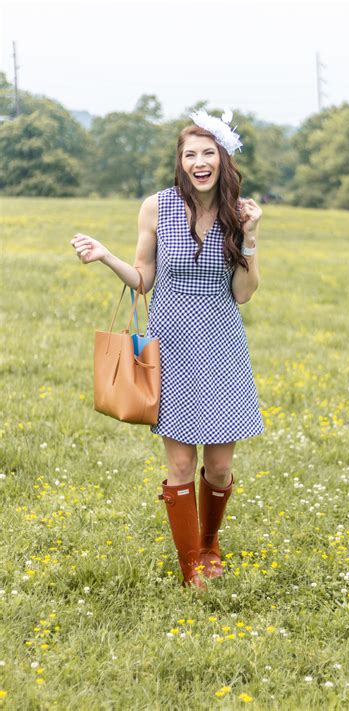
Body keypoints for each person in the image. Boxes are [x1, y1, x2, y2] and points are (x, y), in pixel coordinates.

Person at [70, 107, 265, 592]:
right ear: (180, 162)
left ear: (221, 159)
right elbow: (144, 280)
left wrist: (253, 238)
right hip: (171, 346)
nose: (199, 162)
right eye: (189, 154)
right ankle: (191, 566)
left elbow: (243, 293)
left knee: (219, 466)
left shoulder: (237, 211)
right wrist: (106, 256)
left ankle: (210, 543)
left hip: (222, 344)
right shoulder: (156, 207)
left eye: (207, 153)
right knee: (179, 464)